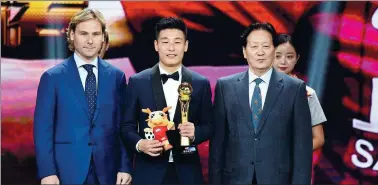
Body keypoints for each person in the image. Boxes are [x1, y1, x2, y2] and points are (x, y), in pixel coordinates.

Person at [34, 8, 131, 184]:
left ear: (103, 37)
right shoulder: (52, 78)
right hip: (67, 171)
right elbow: (43, 130)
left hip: (108, 171)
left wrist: (125, 167)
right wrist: (47, 172)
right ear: (71, 35)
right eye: (83, 33)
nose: (90, 40)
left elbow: (123, 125)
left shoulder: (117, 77)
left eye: (96, 34)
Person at [209, 22, 312, 184]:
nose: (260, 52)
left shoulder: (295, 88)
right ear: (244, 51)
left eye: (266, 46)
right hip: (235, 178)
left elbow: (302, 146)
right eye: (254, 46)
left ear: (273, 50)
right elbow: (217, 144)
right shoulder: (225, 86)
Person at [121, 17, 213, 184]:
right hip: (148, 172)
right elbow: (127, 125)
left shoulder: (200, 83)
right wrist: (140, 143)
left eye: (177, 42)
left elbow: (209, 125)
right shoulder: (137, 81)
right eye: (165, 42)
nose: (171, 48)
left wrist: (195, 133)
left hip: (188, 173)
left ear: (185, 46)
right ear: (156, 45)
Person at [273, 33, 326, 151]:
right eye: (277, 56)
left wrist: (294, 154)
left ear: (297, 58)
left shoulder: (307, 94)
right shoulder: (255, 88)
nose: (283, 61)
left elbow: (319, 138)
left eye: (289, 56)